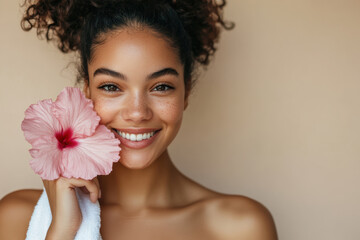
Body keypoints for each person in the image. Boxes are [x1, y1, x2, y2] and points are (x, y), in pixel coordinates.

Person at [0, 0, 278, 239]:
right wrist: (61, 232)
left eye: (161, 87)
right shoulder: (15, 218)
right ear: (86, 92)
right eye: (111, 87)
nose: (137, 112)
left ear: (186, 93)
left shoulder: (240, 228)